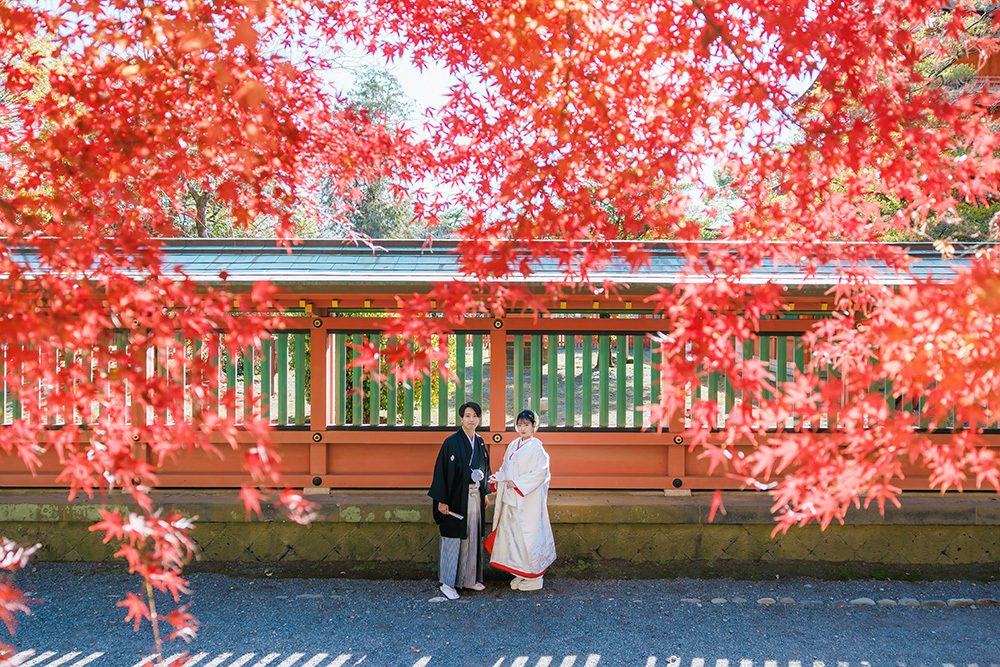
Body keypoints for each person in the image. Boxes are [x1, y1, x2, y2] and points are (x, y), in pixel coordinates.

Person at [428, 401, 491, 600]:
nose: (471, 419)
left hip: (474, 497)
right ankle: (447, 583)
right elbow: (441, 473)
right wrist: (441, 499)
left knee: (472, 536)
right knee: (453, 539)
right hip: (455, 499)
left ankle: (468, 579)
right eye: (468, 415)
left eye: (475, 416)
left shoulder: (480, 442)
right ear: (461, 418)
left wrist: (486, 493)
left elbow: (485, 469)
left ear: (479, 418)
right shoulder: (451, 442)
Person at [488, 409, 556, 590]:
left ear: (534, 426)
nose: (523, 428)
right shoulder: (513, 445)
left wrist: (517, 483)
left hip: (528, 501)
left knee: (530, 537)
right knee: (514, 538)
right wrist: (498, 478)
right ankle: (520, 572)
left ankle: (535, 576)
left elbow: (540, 474)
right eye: (520, 424)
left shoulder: (537, 448)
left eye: (527, 424)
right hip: (512, 500)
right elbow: (505, 467)